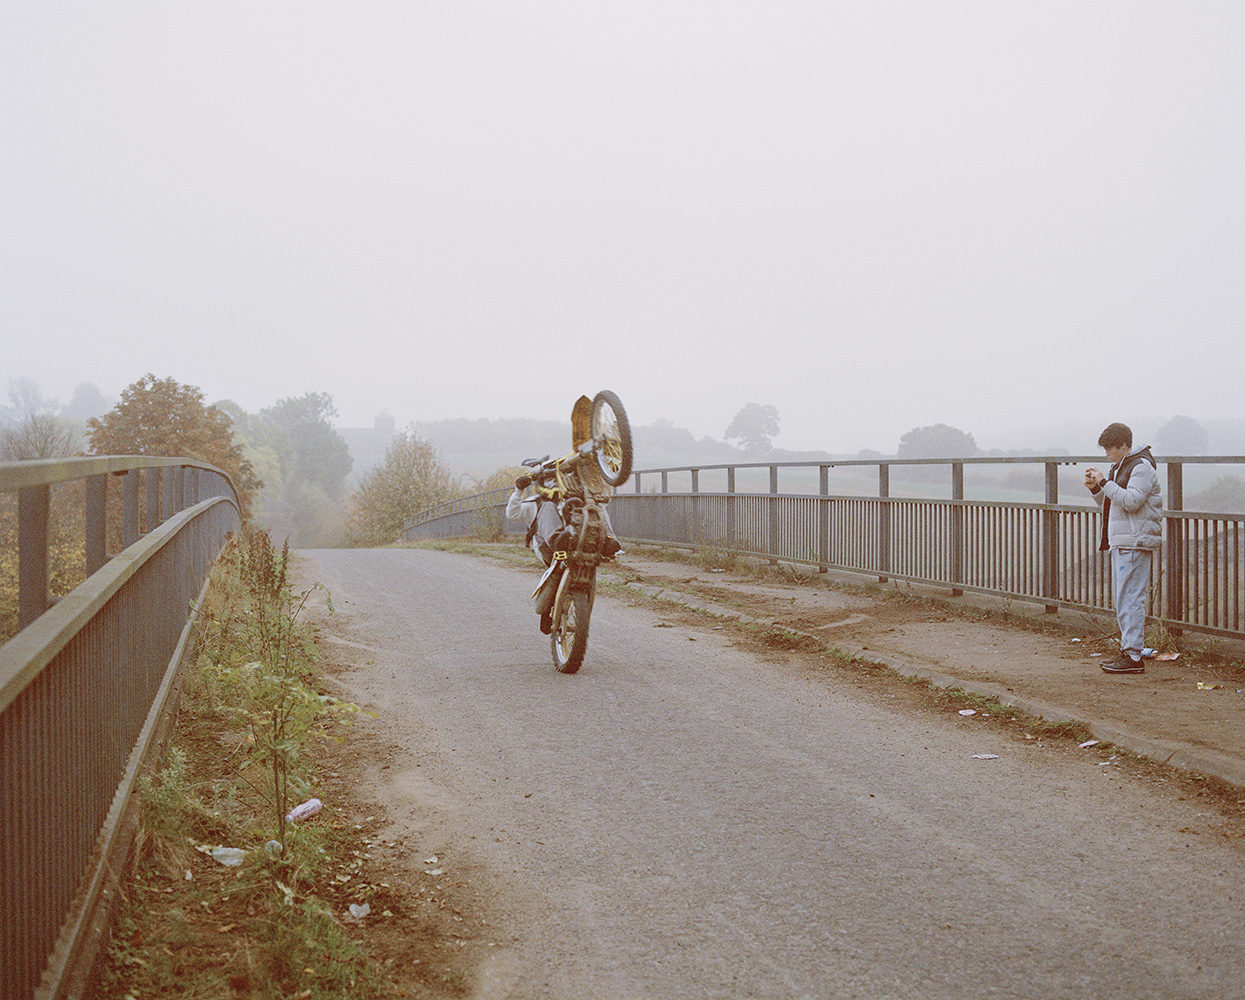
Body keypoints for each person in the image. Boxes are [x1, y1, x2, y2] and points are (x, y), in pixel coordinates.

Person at [1083, 422, 1162, 674]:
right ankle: (1130, 651)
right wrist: (1097, 488)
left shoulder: (1141, 467)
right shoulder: (1123, 466)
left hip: (1134, 540)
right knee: (1124, 598)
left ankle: (1133, 655)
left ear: (1124, 445)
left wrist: (1104, 482)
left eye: (1110, 448)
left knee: (1130, 598)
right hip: (1125, 540)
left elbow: (1131, 501)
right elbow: (1113, 505)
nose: (1107, 453)